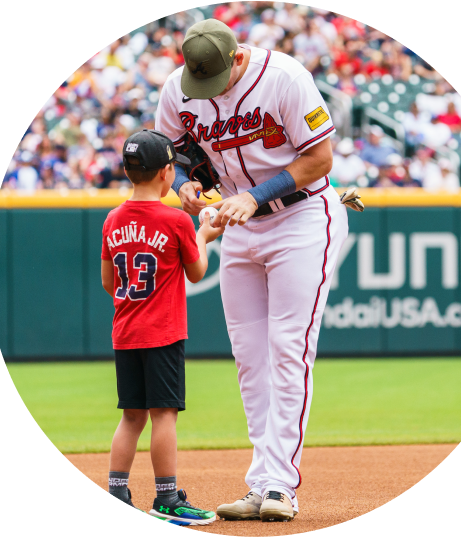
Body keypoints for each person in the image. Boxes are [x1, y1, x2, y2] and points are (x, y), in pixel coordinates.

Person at [155, 19, 349, 522]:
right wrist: (183, 186)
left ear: (237, 58)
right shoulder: (178, 88)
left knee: (288, 348)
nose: (205, 90)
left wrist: (255, 194)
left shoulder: (284, 76)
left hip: (301, 216)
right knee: (249, 358)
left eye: (214, 78)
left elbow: (321, 158)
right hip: (238, 224)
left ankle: (280, 486)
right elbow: (168, 153)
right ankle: (261, 481)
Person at [101, 129, 224, 525]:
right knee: (164, 415)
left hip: (126, 331)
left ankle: (117, 489)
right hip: (163, 332)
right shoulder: (175, 220)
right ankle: (167, 497)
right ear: (168, 172)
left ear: (127, 170)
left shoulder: (113, 219)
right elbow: (197, 271)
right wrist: (204, 234)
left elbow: (109, 283)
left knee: (131, 415)